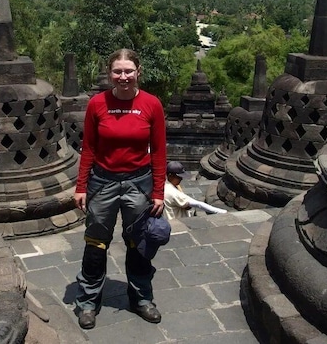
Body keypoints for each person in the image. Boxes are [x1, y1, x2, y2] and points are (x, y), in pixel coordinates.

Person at [73, 49, 167, 330]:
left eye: (128, 71)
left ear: (138, 71)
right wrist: (81, 186)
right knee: (95, 242)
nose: (123, 77)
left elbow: (159, 151)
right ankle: (88, 302)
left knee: (139, 242)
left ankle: (141, 298)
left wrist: (159, 191)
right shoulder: (97, 104)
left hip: (139, 183)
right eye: (118, 71)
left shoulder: (151, 105)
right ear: (109, 73)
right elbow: (88, 147)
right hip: (103, 182)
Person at [163, 161, 228, 219]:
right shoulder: (173, 193)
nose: (181, 179)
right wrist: (222, 212)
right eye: (179, 177)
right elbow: (198, 204)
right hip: (178, 221)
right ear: (170, 175)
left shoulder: (164, 184)